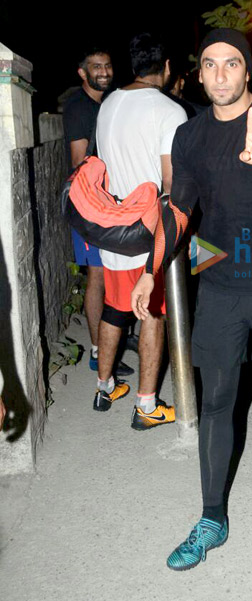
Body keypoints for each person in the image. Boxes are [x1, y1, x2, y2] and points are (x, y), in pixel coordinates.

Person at [130, 28, 252, 570]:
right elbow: (181, 207)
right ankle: (211, 517)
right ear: (198, 71)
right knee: (216, 399)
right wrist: (151, 269)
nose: (220, 74)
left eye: (231, 63)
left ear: (246, 71)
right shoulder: (189, 136)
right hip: (216, 277)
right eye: (210, 64)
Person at [93, 33, 187, 428]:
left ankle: (104, 386)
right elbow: (171, 184)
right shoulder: (169, 111)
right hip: (147, 231)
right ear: (166, 67)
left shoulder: (109, 102)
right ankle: (147, 407)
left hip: (109, 224)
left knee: (116, 307)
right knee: (153, 314)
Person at [62, 48, 134, 377]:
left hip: (109, 202)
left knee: (116, 270)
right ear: (82, 72)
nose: (103, 71)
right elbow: (80, 162)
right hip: (89, 204)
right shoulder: (79, 107)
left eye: (107, 65)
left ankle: (116, 337)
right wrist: (99, 203)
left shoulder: (109, 103)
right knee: (98, 276)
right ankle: (97, 349)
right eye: (95, 66)